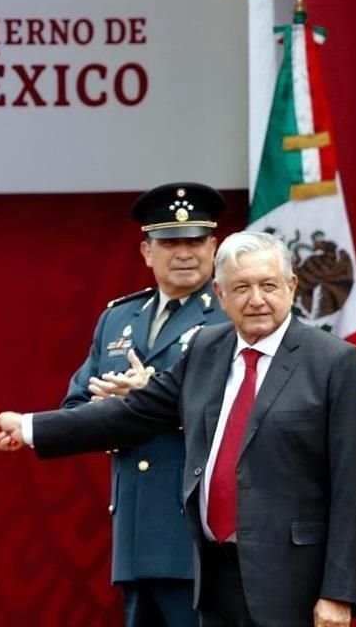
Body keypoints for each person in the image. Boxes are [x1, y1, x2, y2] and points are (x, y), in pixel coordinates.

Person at [0, 231, 356, 627]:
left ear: (292, 287)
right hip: (214, 576)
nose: (256, 299)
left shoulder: (335, 363)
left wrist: (338, 593)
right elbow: (132, 413)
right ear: (220, 294)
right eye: (241, 287)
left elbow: (355, 490)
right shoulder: (208, 348)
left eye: (268, 285)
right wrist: (31, 427)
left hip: (294, 583)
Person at [61, 182, 229, 627]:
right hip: (135, 534)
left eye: (195, 241)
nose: (185, 253)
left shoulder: (232, 317)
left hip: (199, 537)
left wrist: (150, 396)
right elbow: (76, 406)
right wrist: (107, 407)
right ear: (146, 252)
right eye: (170, 243)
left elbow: (243, 412)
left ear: (214, 247)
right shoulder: (118, 317)